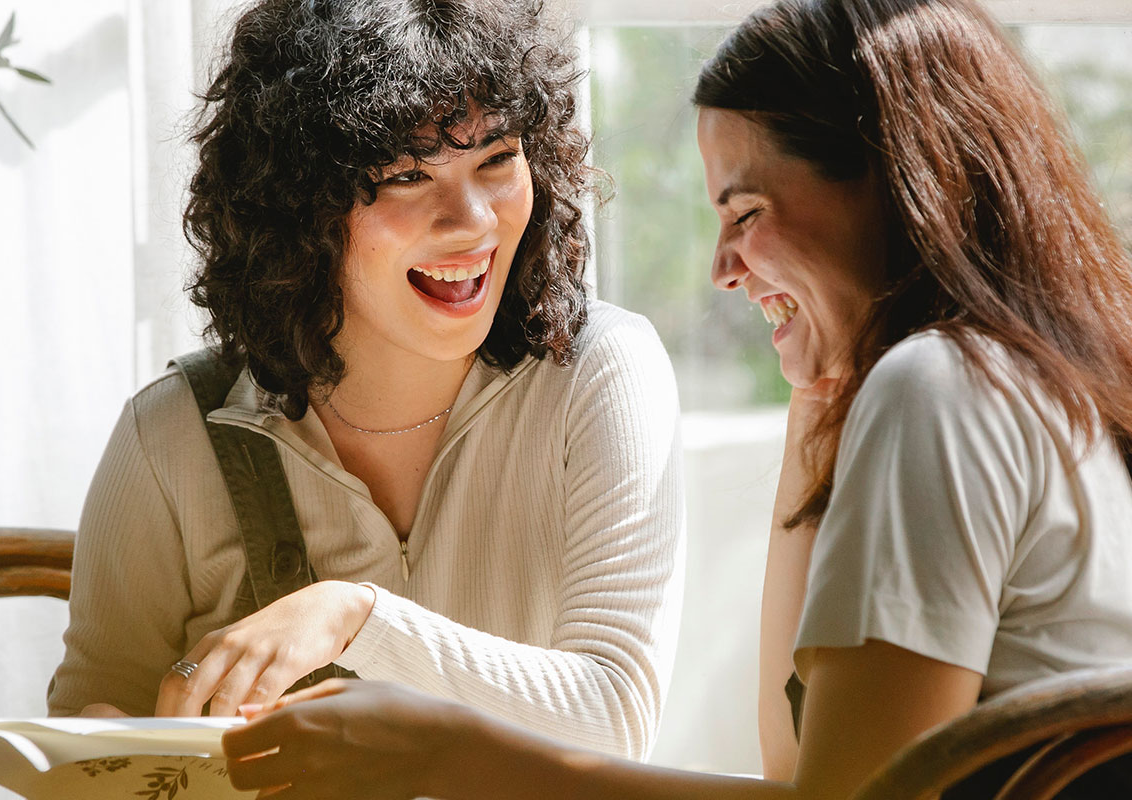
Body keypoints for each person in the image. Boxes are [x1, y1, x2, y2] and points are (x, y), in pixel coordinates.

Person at [217, 0, 1132, 797]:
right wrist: (818, 401)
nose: (720, 266)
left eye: (745, 210)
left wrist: (453, 751)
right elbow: (799, 762)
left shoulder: (943, 392)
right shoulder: (1010, 380)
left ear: (896, 186)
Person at [45, 0, 686, 763]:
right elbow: (87, 738)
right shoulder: (171, 436)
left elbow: (615, 719)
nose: (472, 219)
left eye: (497, 158)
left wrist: (356, 619)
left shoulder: (601, 373)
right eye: (408, 174)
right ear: (297, 208)